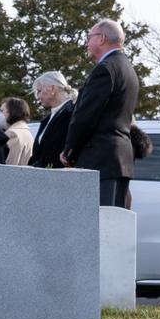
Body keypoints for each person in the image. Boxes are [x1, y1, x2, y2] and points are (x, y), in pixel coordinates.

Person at [62, 18, 140, 207]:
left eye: (89, 37)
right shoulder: (128, 69)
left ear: (102, 38)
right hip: (119, 159)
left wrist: (69, 152)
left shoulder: (105, 69)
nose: (86, 43)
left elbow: (85, 115)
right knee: (112, 227)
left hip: (99, 159)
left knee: (96, 226)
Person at [29, 71, 77, 169]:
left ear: (52, 89)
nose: (37, 97)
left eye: (39, 91)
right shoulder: (49, 118)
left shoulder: (72, 114)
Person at [0, 97, 35, 166]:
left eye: (2, 111)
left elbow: (8, 165)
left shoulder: (13, 134)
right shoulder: (25, 131)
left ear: (12, 112)